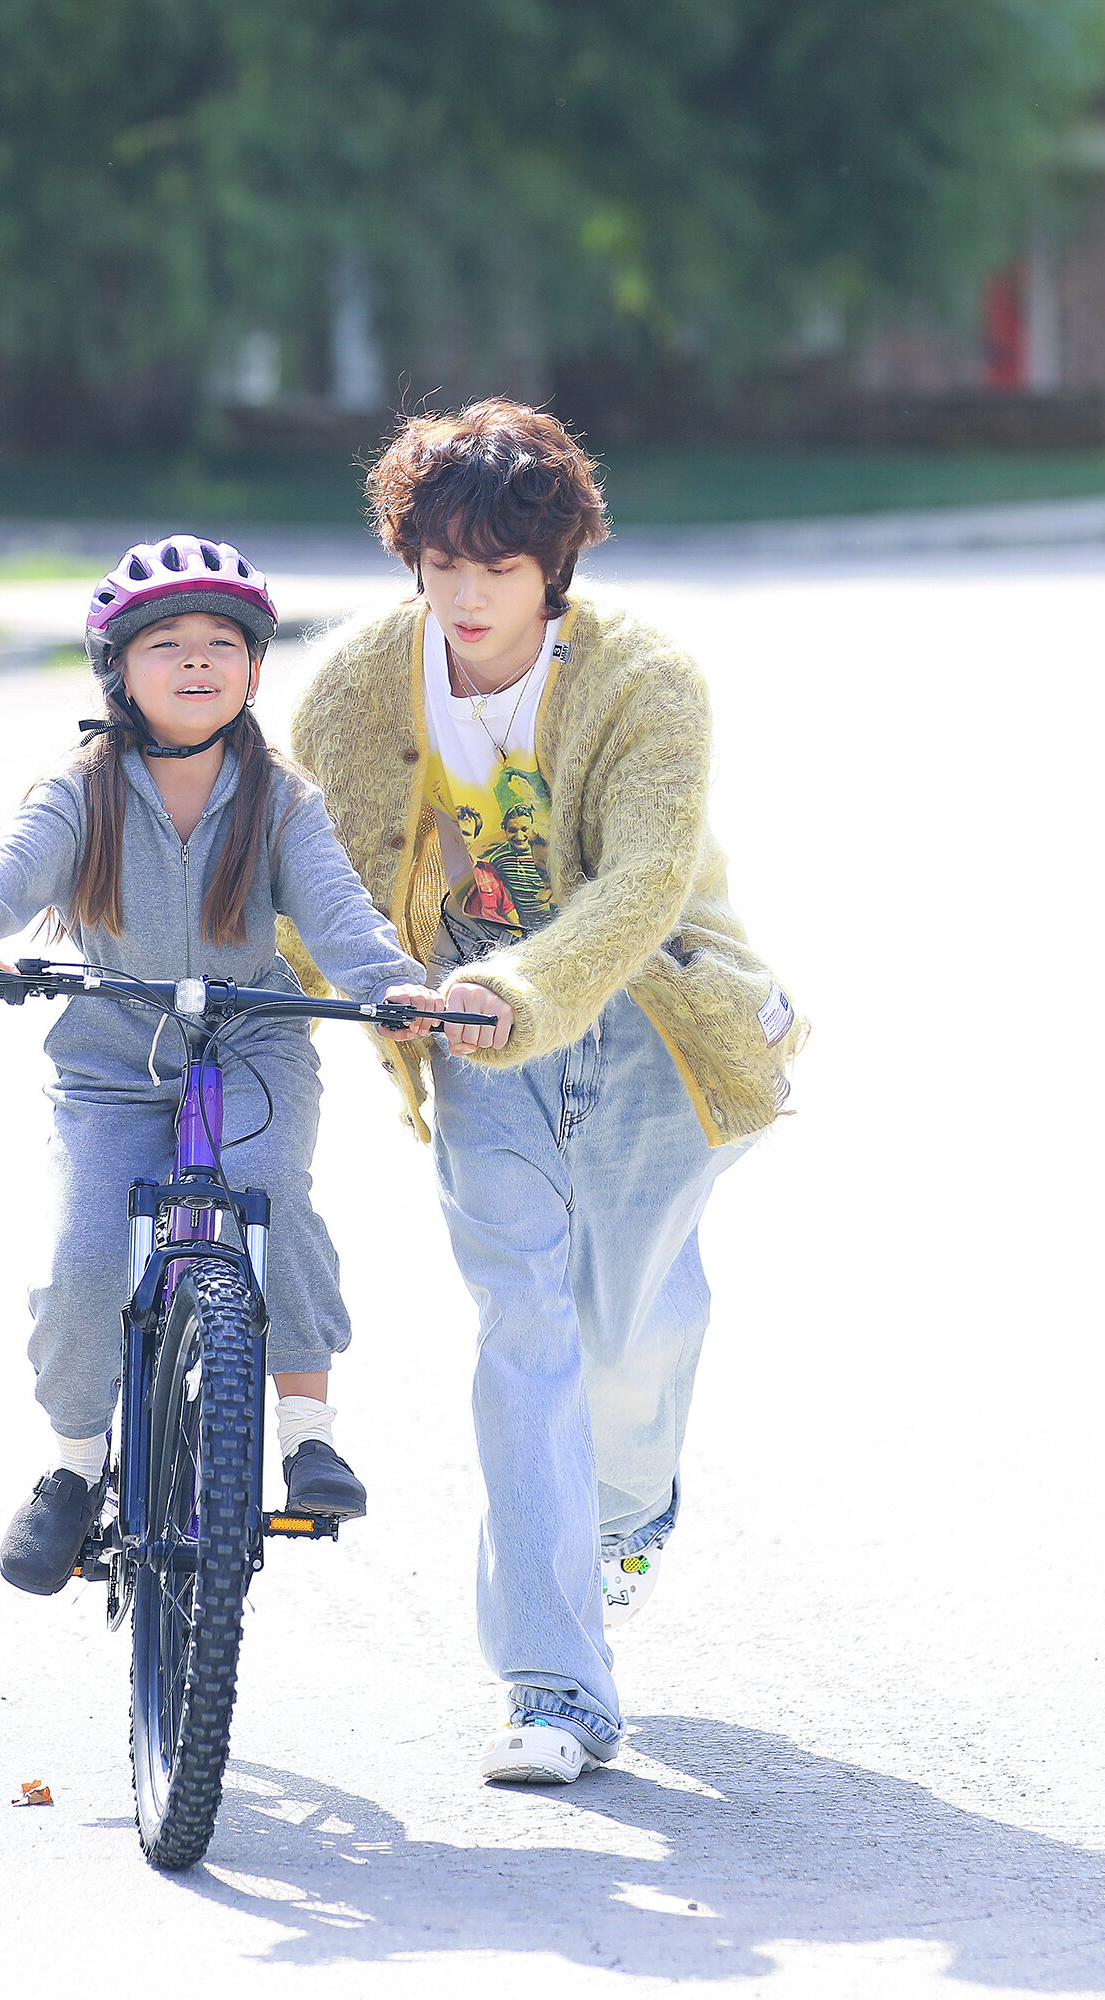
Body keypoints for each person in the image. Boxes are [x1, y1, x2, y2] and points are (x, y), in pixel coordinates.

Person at [283, 402, 808, 1785]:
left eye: (497, 567)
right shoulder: (352, 687)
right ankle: (554, 1683)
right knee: (525, 1323)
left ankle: (629, 1509)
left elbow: (642, 881)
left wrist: (521, 991)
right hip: (465, 1030)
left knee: (630, 1326)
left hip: (648, 1011)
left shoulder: (644, 675)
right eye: (439, 559)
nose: (464, 593)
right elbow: (301, 868)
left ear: (553, 568)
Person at [0, 536, 441, 1595]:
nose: (197, 660)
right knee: (83, 1256)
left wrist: (392, 983)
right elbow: (6, 869)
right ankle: (75, 1465)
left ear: (256, 668)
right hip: (114, 1054)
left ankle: (306, 1428)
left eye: (223, 642)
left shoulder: (280, 797)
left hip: (252, 1039)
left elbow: (340, 913)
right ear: (120, 670)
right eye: (167, 643)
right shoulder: (84, 789)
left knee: (268, 1195)